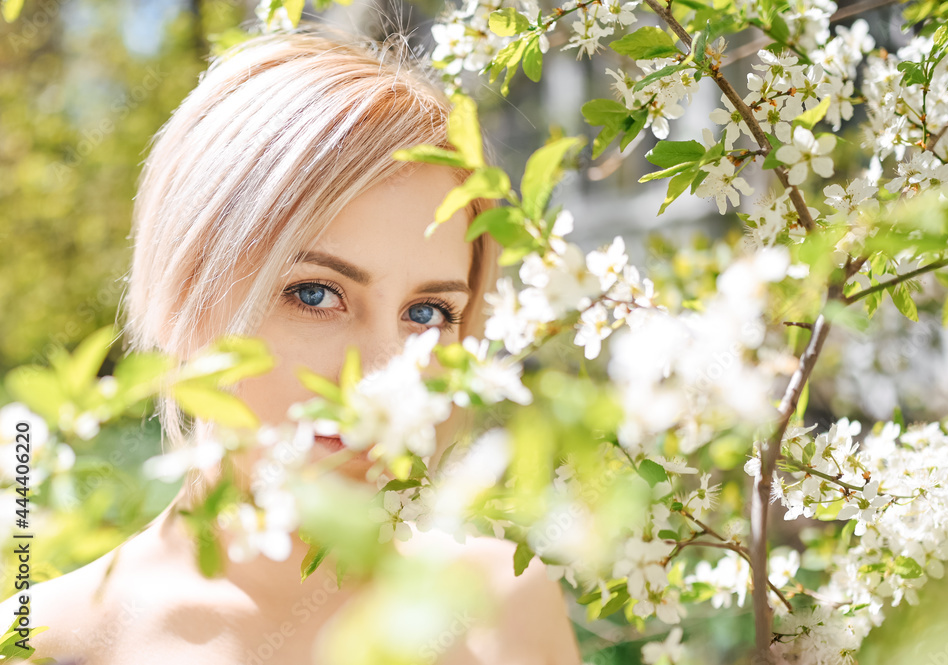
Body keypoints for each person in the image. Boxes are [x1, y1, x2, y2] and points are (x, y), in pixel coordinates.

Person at [0, 25, 582, 664]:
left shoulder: (504, 609)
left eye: (427, 313)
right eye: (315, 294)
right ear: (184, 294)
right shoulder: (46, 641)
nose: (383, 378)